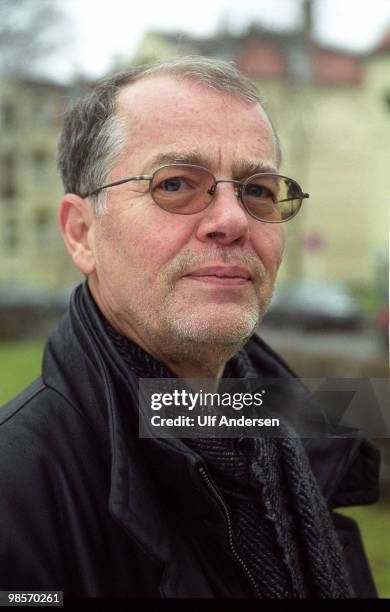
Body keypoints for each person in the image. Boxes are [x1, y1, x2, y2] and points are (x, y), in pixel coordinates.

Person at [0, 57, 380, 599]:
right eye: (175, 183)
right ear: (82, 233)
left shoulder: (301, 431)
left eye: (258, 191)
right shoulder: (17, 496)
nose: (232, 220)